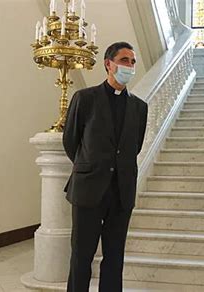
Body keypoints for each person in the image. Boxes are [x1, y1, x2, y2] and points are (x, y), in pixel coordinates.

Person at [62, 41, 148, 292]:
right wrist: (90, 166)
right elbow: (71, 141)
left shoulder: (139, 107)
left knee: (114, 257)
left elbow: (135, 146)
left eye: (132, 61)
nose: (129, 66)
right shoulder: (85, 98)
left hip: (121, 192)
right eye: (124, 60)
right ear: (108, 64)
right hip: (89, 190)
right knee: (81, 256)